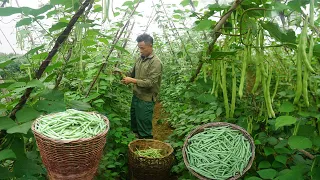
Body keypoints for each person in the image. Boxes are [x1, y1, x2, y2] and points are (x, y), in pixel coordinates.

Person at [121, 33, 162, 139]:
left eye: (142, 48)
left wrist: (132, 80)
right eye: (139, 48)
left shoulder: (156, 63)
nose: (140, 50)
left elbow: (150, 83)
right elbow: (131, 73)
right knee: (134, 123)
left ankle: (146, 147)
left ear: (150, 46)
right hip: (136, 96)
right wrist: (122, 74)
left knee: (144, 128)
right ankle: (136, 144)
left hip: (146, 99)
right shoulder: (140, 59)